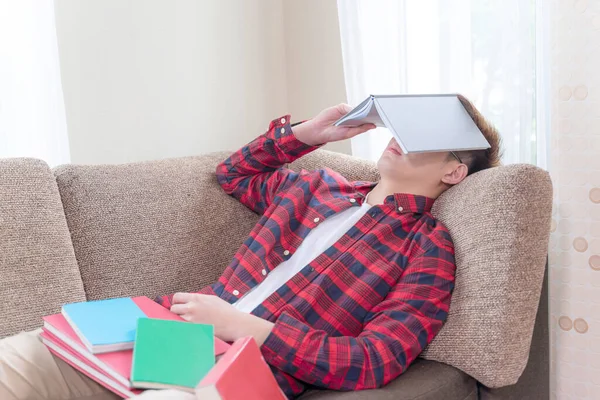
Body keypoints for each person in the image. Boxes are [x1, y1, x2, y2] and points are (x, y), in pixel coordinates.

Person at [0, 96, 501, 400]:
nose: (403, 137)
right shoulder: (314, 188)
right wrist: (308, 134)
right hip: (169, 335)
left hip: (246, 371)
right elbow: (234, 173)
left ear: (454, 171)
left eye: (429, 135)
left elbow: (374, 359)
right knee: (16, 358)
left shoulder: (427, 248)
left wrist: (248, 328)